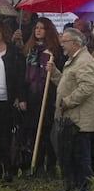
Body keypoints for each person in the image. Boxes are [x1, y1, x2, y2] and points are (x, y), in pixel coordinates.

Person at [47, 28, 94, 191]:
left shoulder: (84, 61)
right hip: (72, 119)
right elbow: (66, 84)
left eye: (64, 41)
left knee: (81, 155)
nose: (62, 45)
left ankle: (85, 187)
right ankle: (75, 184)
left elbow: (87, 87)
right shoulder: (73, 60)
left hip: (81, 120)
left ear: (75, 43)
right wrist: (53, 73)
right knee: (72, 154)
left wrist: (67, 102)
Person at [22, 17, 65, 178]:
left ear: (49, 31)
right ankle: (36, 164)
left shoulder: (55, 51)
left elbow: (61, 75)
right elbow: (24, 75)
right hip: (33, 96)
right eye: (36, 28)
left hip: (48, 96)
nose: (38, 30)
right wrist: (22, 98)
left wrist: (52, 64)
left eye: (42, 28)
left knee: (47, 132)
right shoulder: (30, 50)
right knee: (34, 131)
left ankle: (51, 166)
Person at [0, 21, 26, 182]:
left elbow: (20, 78)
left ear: (4, 33)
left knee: (7, 137)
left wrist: (20, 97)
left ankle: (9, 169)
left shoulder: (14, 52)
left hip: (9, 101)